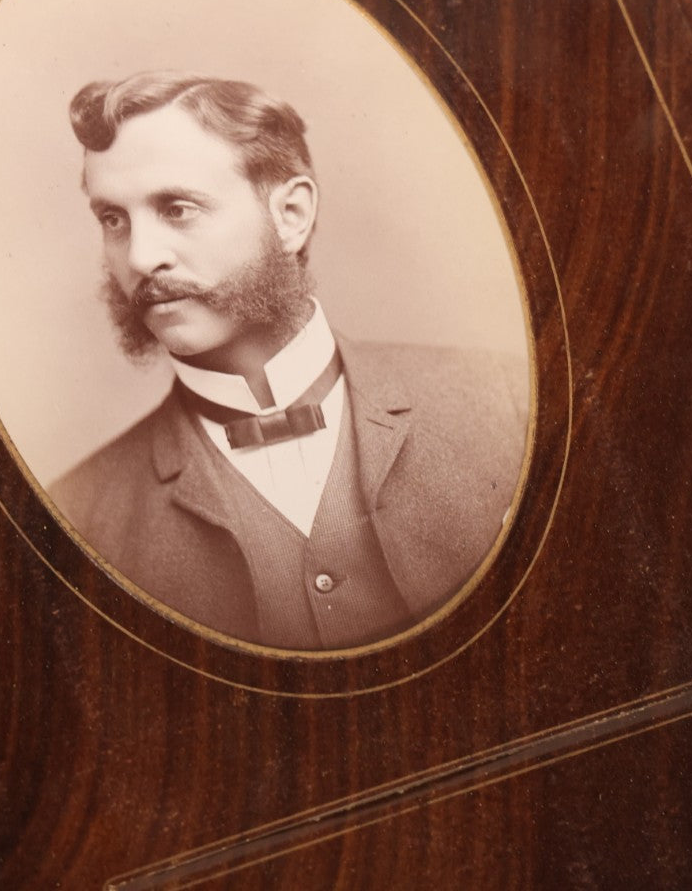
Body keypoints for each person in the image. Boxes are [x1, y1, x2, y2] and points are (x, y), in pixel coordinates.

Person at [51, 71, 526, 652]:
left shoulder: (510, 401)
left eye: (177, 209)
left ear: (291, 216)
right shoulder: (75, 522)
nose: (141, 257)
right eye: (113, 220)